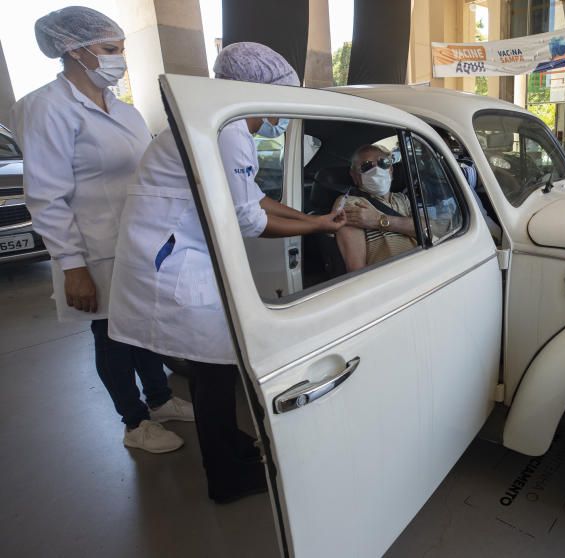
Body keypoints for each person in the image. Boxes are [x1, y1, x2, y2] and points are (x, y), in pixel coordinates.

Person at [108, 42, 346, 503]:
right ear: (256, 90)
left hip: (178, 253)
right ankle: (225, 476)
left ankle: (231, 446)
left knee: (212, 366)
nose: (286, 107)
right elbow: (249, 219)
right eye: (284, 94)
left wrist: (315, 221)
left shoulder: (226, 124)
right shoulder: (232, 129)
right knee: (214, 368)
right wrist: (315, 228)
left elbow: (253, 195)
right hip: (175, 261)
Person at [10, 6, 192, 454]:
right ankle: (134, 423)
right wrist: (72, 266)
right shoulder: (46, 108)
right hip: (93, 250)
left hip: (139, 242)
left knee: (143, 326)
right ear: (72, 50)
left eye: (122, 49)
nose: (120, 59)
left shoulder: (123, 110)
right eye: (110, 49)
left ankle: (160, 399)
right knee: (111, 334)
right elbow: (47, 196)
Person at [335, 144, 418, 272]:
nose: (377, 170)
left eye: (383, 163)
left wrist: (380, 220)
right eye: (366, 166)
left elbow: (425, 228)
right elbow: (357, 271)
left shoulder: (402, 198)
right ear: (354, 177)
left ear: (390, 171)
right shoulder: (350, 203)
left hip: (423, 265)